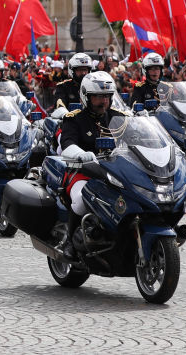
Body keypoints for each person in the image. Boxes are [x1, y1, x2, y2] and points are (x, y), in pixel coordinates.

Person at [56, 71, 129, 257]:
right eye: (97, 97)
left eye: (106, 96)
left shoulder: (120, 117)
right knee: (81, 200)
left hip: (116, 172)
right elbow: (67, 144)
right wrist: (81, 154)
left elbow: (138, 140)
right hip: (82, 171)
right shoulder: (74, 118)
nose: (103, 101)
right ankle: (70, 241)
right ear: (86, 97)